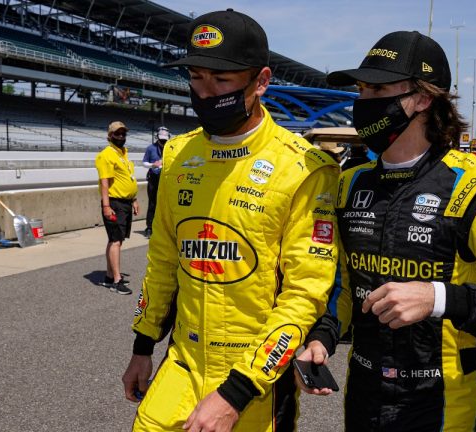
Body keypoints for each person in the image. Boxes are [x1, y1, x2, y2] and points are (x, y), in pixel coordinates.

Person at [297, 31, 476, 431]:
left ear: (424, 99)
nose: (364, 102)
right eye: (361, 89)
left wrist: (439, 298)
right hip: (362, 396)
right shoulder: (349, 183)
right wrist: (322, 337)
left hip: (439, 404)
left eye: (378, 88)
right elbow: (343, 285)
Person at [121, 9, 340, 432]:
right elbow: (164, 263)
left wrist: (236, 393)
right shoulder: (178, 155)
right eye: (196, 77)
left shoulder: (304, 169)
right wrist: (143, 345)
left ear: (261, 81)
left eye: (221, 80)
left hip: (254, 379)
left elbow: (305, 295)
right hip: (182, 361)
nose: (205, 92)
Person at [95, 121, 138, 295]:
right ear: (110, 135)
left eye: (123, 134)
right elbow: (105, 183)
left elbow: (127, 178)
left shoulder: (123, 153)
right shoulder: (106, 155)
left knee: (115, 239)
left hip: (125, 203)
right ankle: (117, 280)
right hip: (114, 203)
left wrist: (133, 199)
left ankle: (108, 276)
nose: (121, 137)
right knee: (116, 241)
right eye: (117, 134)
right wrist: (106, 206)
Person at [142, 126, 170, 238]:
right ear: (157, 137)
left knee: (164, 205)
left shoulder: (170, 149)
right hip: (153, 179)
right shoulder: (150, 148)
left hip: (165, 179)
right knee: (152, 203)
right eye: (161, 139)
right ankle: (149, 227)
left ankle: (163, 228)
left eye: (165, 140)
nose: (163, 142)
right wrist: (153, 165)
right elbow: (144, 163)